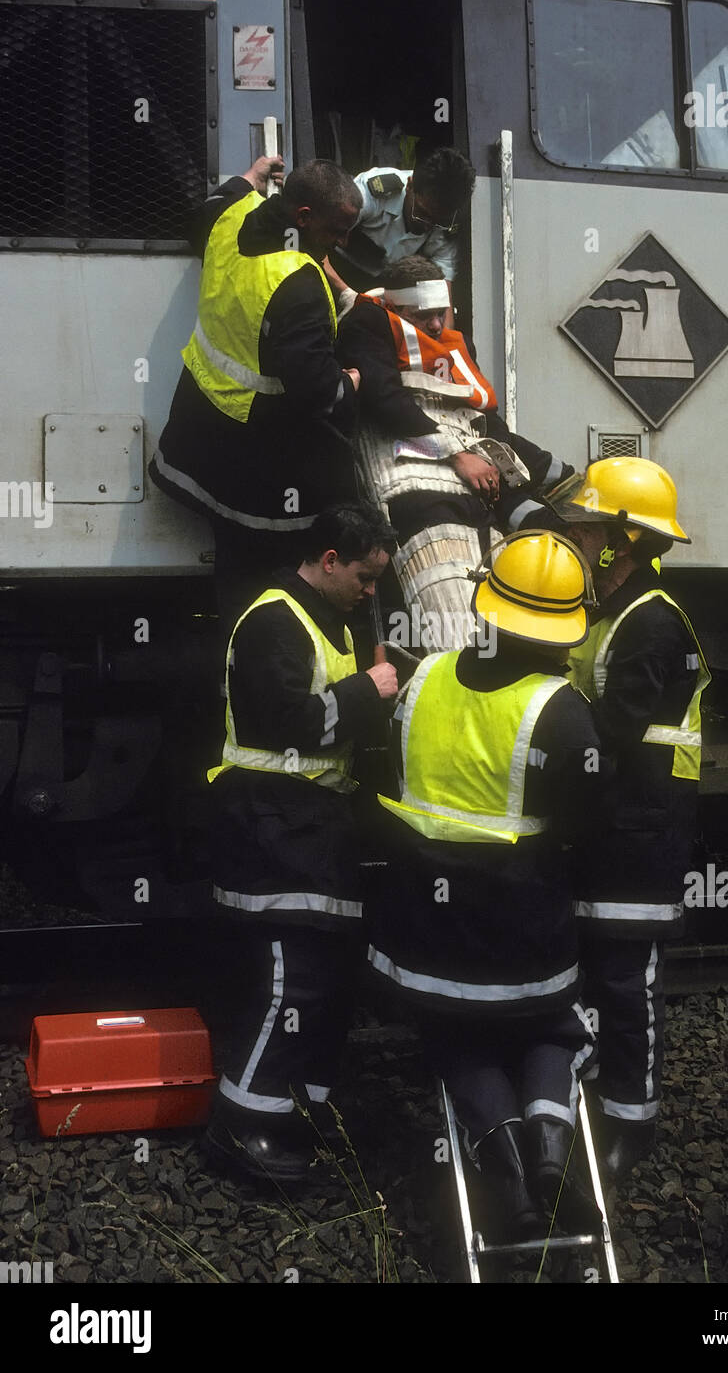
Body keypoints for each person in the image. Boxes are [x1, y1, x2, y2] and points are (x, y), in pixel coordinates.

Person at [366, 532, 610, 1237]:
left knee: (458, 1041)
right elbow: (583, 824)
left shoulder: (425, 678)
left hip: (424, 937)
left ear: (487, 607)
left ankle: (501, 1163)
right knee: (555, 1032)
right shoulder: (562, 710)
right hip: (522, 936)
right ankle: (547, 1149)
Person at [203, 503, 399, 1184]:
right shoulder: (274, 622)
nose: (371, 591)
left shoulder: (322, 618)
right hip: (272, 825)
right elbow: (292, 724)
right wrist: (368, 691)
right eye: (364, 576)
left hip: (309, 824)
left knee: (328, 979)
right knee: (295, 977)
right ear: (327, 560)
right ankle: (239, 1128)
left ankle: (299, 1111)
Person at [551, 457, 711, 1187]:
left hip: (639, 829)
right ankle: (592, 1097)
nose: (576, 542)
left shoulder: (648, 622)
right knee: (597, 971)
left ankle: (630, 1122)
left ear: (620, 540)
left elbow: (610, 728)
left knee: (624, 980)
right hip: (610, 822)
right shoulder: (609, 613)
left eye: (585, 530)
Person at [149, 156, 365, 630]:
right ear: (303, 218)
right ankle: (263, 674)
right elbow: (316, 393)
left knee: (231, 572)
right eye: (337, 230)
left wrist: (254, 173)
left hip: (197, 434)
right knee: (264, 585)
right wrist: (349, 384)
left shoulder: (232, 214)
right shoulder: (299, 285)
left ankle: (236, 671)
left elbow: (212, 204)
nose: (343, 243)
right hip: (254, 464)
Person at [337, 255, 574, 643]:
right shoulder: (368, 325)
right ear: (394, 307)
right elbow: (384, 397)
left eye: (440, 314)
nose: (435, 325)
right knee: (452, 607)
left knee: (507, 588)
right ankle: (459, 668)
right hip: (415, 482)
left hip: (477, 485)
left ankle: (527, 503)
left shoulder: (454, 343)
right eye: (422, 315)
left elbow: (481, 417)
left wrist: (545, 470)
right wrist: (457, 455)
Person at [324, 148, 476, 326]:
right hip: (333, 264)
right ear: (410, 185)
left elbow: (442, 294)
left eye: (436, 220)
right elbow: (317, 243)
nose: (427, 225)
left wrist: (447, 346)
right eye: (422, 213)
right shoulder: (372, 193)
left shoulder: (443, 224)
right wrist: (346, 294)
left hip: (382, 284)